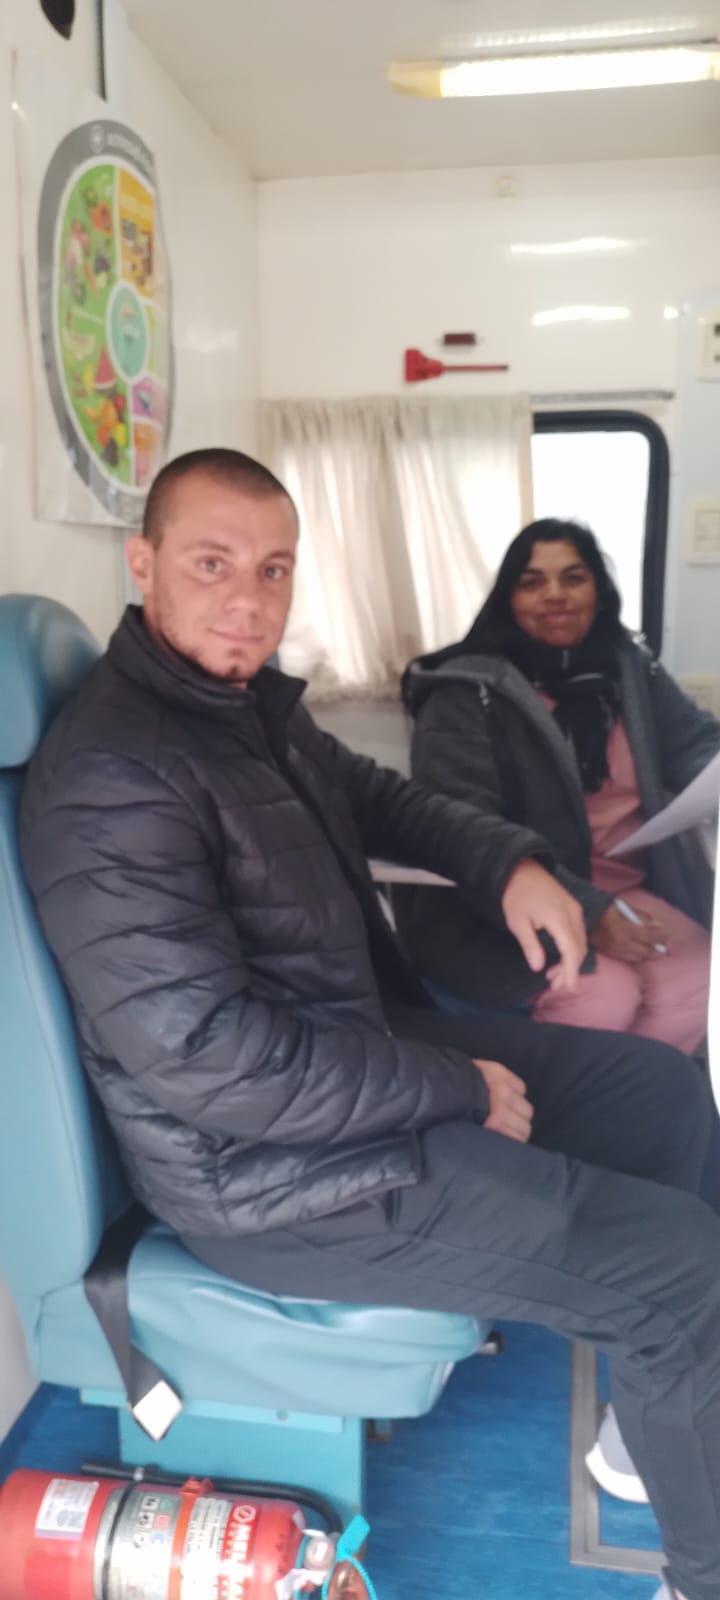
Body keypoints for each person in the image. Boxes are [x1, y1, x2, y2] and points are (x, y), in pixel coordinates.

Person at [19, 451, 720, 1600]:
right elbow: (208, 1061)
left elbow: (386, 800)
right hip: (269, 1175)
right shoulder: (114, 774)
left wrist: (515, 867)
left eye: (274, 569)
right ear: (143, 565)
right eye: (211, 564)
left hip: (352, 1073)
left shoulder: (247, 711)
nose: (248, 599)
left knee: (663, 1092)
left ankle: (655, 1432)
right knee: (684, 1272)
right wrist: (455, 1083)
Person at [399, 518, 719, 1052]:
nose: (555, 595)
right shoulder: (463, 690)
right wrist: (589, 912)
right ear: (508, 599)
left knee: (698, 979)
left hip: (624, 885)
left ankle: (638, 1097)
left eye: (573, 578)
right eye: (532, 583)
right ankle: (580, 1098)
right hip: (506, 895)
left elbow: (694, 744)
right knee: (601, 996)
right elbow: (463, 826)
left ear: (599, 590)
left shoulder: (631, 671)